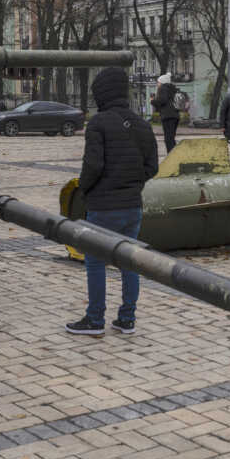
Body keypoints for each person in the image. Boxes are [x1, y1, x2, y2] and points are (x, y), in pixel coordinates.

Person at [66, 67, 159, 336]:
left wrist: (84, 188)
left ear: (102, 94)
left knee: (95, 262)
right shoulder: (142, 124)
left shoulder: (98, 123)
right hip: (132, 206)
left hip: (103, 205)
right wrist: (134, 182)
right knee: (129, 261)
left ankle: (95, 319)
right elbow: (152, 166)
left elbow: (92, 165)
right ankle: (127, 319)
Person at [151, 73, 180, 153]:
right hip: (175, 115)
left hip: (168, 116)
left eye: (158, 82)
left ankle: (171, 156)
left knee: (168, 139)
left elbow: (162, 100)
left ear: (162, 82)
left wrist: (153, 101)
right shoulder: (172, 89)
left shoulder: (163, 88)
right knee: (171, 138)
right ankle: (173, 155)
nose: (157, 84)